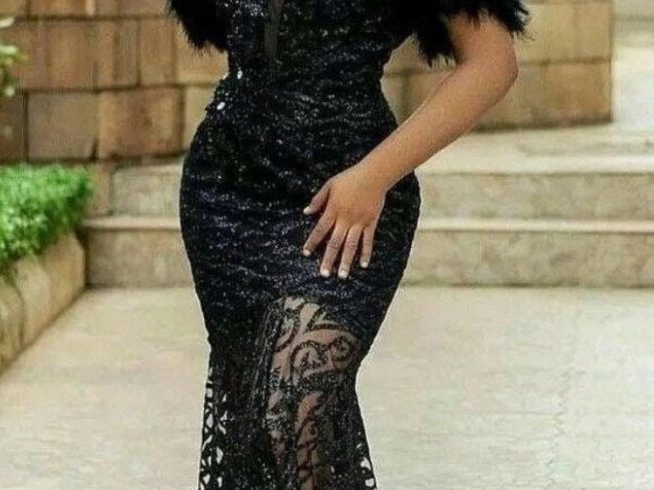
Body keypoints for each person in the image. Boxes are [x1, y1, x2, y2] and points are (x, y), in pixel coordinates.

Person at [170, 0, 528, 488]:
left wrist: (374, 176)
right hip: (229, 192)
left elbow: (493, 63)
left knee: (292, 403)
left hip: (351, 200)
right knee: (262, 424)